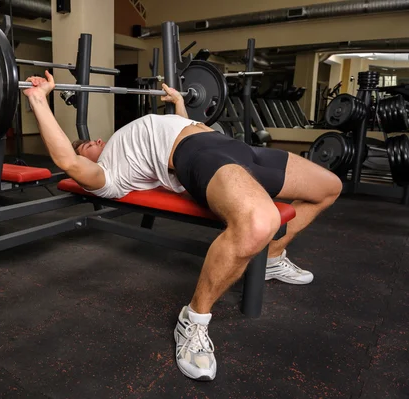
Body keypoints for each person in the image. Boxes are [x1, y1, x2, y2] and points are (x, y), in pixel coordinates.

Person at [24, 71, 342, 381]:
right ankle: (194, 320)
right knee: (261, 222)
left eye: (93, 140)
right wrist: (39, 100)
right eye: (87, 147)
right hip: (198, 155)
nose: (95, 141)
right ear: (90, 161)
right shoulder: (108, 176)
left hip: (230, 144)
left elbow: (178, 125)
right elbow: (67, 159)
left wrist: (179, 101)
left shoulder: (122, 142)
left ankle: (272, 258)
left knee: (329, 187)